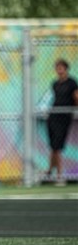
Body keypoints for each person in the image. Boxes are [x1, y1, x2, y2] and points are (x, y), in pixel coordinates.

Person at [46, 58, 78, 186]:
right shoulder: (55, 84)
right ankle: (49, 171)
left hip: (64, 117)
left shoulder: (72, 83)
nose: (59, 70)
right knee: (53, 146)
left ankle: (59, 175)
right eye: (57, 68)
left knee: (57, 146)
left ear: (66, 68)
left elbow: (76, 97)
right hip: (53, 116)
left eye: (61, 68)